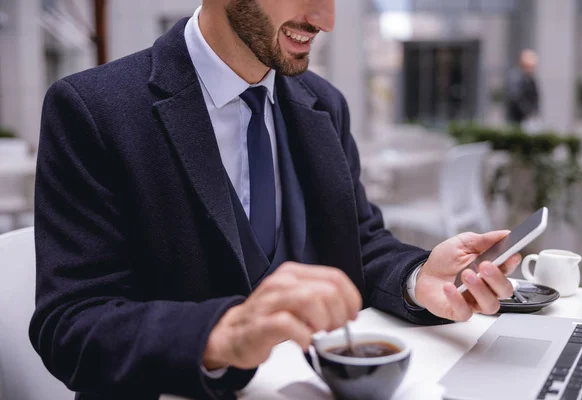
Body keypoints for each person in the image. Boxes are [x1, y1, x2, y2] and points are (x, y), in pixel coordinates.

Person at [30, 1, 521, 399]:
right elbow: (70, 324)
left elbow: (360, 242)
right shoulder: (93, 109)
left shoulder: (324, 104)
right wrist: (223, 335)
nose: (325, 18)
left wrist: (418, 278)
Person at [506, 49, 540, 128]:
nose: (532, 69)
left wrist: (534, 112)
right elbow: (516, 97)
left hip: (527, 119)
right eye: (530, 66)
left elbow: (535, 97)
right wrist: (527, 112)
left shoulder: (531, 80)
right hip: (516, 119)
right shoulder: (515, 77)